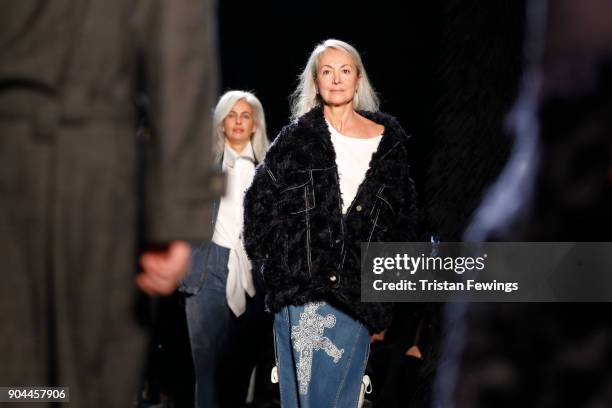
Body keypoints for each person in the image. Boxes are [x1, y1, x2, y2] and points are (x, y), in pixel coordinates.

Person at [0, 1, 218, 407]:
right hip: (97, 171)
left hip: (13, 153)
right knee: (91, 387)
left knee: (12, 382)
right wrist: (174, 216)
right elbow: (180, 58)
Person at [244, 39, 419, 407]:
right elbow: (259, 204)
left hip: (355, 299)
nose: (336, 79)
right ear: (316, 81)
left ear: (358, 80)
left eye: (345, 71)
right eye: (327, 71)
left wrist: (385, 298)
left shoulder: (390, 146)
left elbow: (402, 225)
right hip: (299, 297)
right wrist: (275, 269)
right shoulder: (295, 140)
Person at [180, 90, 272, 408]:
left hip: (252, 274)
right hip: (208, 269)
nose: (237, 121)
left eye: (245, 115)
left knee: (239, 368)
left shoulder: (270, 170)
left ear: (255, 125)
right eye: (231, 115)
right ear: (221, 123)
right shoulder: (206, 167)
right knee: (205, 367)